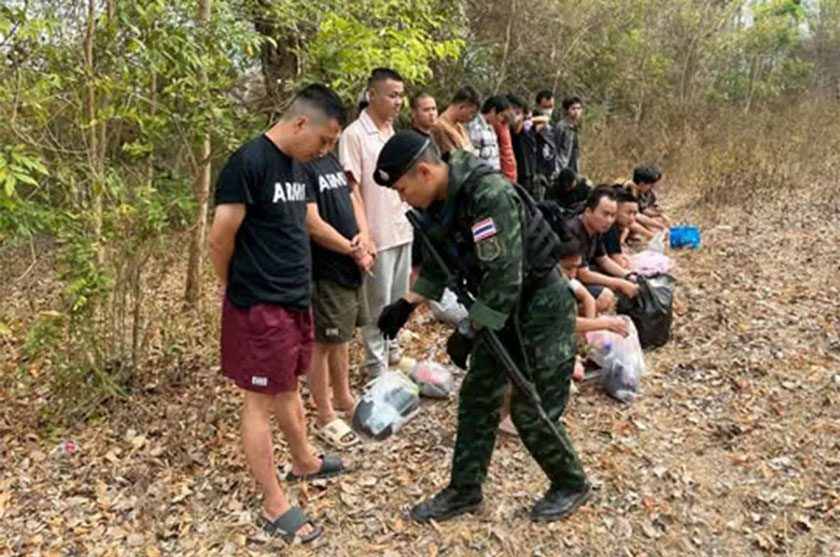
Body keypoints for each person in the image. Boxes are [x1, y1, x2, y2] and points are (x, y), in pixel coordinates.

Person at [373, 131, 592, 523]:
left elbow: (505, 279)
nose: (402, 198)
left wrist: (469, 331)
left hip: (540, 305)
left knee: (530, 406)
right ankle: (465, 490)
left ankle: (570, 481)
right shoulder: (440, 202)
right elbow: (445, 258)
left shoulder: (487, 195)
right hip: (499, 308)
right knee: (478, 396)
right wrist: (406, 304)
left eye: (403, 188)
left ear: (424, 171)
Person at [208, 84, 352, 544]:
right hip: (260, 304)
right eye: (325, 141)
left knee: (287, 385)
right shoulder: (248, 162)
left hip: (296, 297)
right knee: (259, 400)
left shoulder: (299, 166)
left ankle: (305, 460)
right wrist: (231, 285)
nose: (325, 151)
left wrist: (349, 245)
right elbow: (219, 237)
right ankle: (274, 504)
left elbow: (306, 222)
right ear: (300, 123)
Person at [339, 68, 413, 377]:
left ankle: (393, 351)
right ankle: (376, 366)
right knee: (376, 304)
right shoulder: (354, 135)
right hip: (376, 232)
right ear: (372, 95)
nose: (398, 102)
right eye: (392, 95)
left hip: (401, 228)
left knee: (398, 299)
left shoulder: (391, 132)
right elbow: (351, 187)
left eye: (401, 96)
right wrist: (364, 234)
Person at [304, 150, 374, 450]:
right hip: (326, 269)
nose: (330, 141)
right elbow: (312, 223)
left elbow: (353, 196)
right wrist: (351, 248)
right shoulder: (300, 166)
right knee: (323, 342)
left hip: (351, 265)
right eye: (326, 135)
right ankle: (324, 413)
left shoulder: (330, 159)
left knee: (343, 337)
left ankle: (343, 396)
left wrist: (365, 237)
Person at [566, 187, 638, 313]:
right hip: (566, 279)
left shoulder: (597, 229)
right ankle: (566, 317)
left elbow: (603, 260)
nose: (609, 220)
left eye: (613, 215)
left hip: (581, 274)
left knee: (618, 276)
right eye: (605, 214)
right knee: (605, 298)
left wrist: (627, 275)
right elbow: (584, 274)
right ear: (588, 211)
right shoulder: (573, 231)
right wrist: (621, 283)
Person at [431, 85, 480, 155]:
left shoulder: (459, 127)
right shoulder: (440, 127)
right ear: (462, 107)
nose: (470, 117)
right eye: (471, 112)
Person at [468, 95, 510, 170]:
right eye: (501, 115)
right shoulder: (476, 128)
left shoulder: (490, 127)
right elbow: (474, 159)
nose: (501, 120)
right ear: (493, 111)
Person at [506, 94, 537, 192]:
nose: (517, 112)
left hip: (530, 169)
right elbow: (516, 130)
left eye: (519, 109)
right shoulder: (510, 127)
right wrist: (521, 118)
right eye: (514, 109)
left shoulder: (527, 126)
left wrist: (527, 119)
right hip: (519, 170)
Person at [602, 188, 639, 269]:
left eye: (635, 213)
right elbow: (621, 264)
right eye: (628, 213)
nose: (632, 218)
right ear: (615, 211)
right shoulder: (610, 229)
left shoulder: (618, 227)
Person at [632, 164, 670, 236]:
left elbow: (645, 208)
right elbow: (637, 215)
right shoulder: (631, 192)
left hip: (638, 217)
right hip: (629, 220)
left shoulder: (646, 192)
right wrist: (658, 227)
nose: (652, 188)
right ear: (642, 184)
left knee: (660, 220)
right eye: (650, 185)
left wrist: (659, 213)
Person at [554, 96, 583, 173]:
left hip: (573, 168)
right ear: (567, 111)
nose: (576, 112)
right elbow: (555, 149)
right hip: (562, 168)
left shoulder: (575, 126)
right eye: (573, 109)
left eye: (579, 108)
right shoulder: (561, 126)